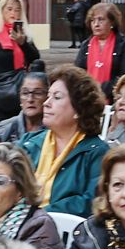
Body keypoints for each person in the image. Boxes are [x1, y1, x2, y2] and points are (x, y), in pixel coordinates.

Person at [18, 66, 110, 218]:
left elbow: (90, 202)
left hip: (66, 235)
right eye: (48, 96)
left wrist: (39, 215)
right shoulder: (29, 143)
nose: (46, 103)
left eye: (57, 97)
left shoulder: (97, 152)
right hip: (18, 226)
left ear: (79, 109)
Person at [75, 2, 125, 96]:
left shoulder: (123, 45)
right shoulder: (86, 45)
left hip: (112, 98)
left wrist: (100, 88)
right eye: (92, 20)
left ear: (112, 22)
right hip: (87, 97)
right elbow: (77, 73)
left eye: (101, 20)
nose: (96, 24)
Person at [0, 66, 49, 144]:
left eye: (37, 93)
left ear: (48, 97)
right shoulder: (4, 129)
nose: (30, 99)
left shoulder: (56, 130)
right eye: (25, 93)